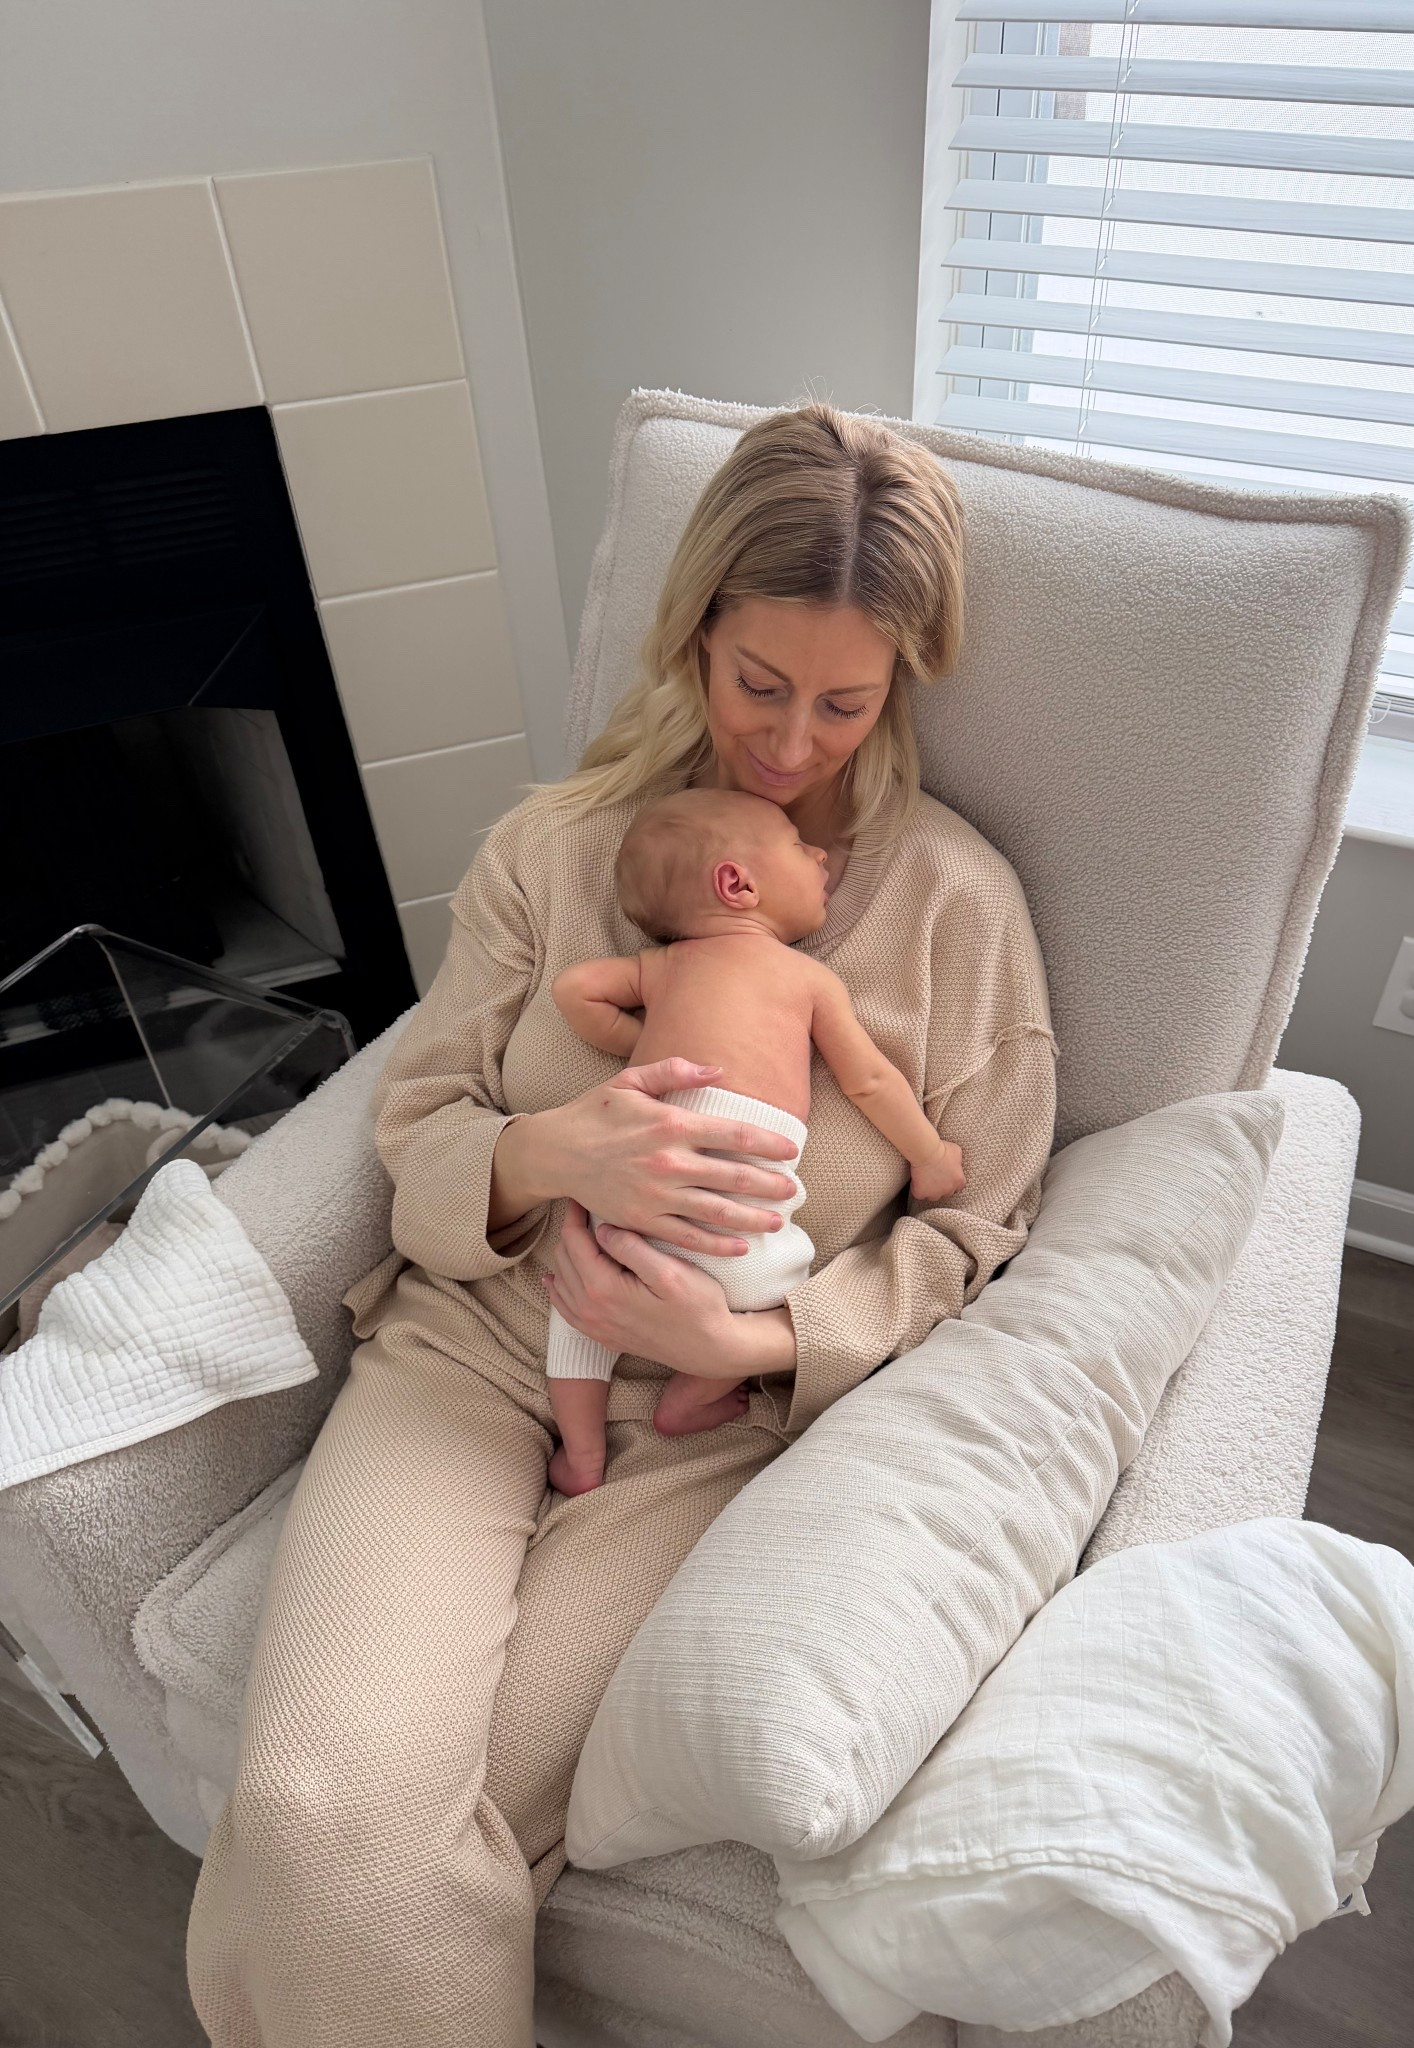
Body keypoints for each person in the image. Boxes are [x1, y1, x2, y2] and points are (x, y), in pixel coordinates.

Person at [185, 401, 1059, 2048]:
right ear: (696, 635)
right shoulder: (559, 848)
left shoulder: (957, 908)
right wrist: (547, 1151)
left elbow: (980, 1229)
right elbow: (418, 1114)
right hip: (471, 1356)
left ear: (901, 684)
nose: (791, 742)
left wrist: (756, 1337)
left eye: (844, 700)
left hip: (705, 1430)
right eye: (756, 683)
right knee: (313, 1797)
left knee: (353, 1841)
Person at [544, 784, 967, 1493]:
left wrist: (643, 1046)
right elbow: (868, 1081)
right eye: (796, 845)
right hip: (734, 1227)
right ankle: (694, 1393)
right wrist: (929, 1155)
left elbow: (575, 990)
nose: (819, 852)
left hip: (634, 1198)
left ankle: (581, 1454)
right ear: (737, 884)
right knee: (777, 1284)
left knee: (578, 1315)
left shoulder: (666, 967)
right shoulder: (805, 977)